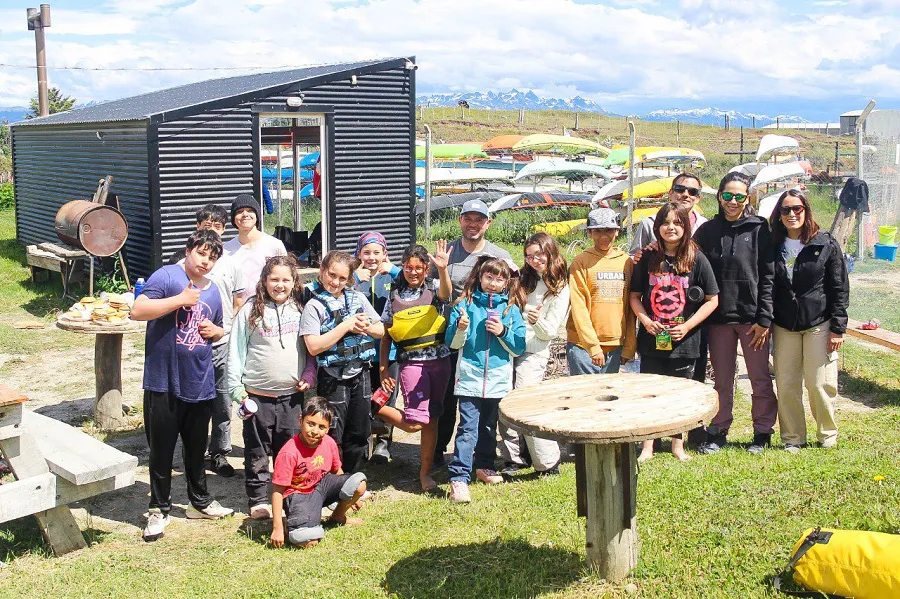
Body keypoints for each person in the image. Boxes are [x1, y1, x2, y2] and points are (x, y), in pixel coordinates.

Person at [131, 229, 234, 542]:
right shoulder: (166, 275)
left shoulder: (214, 290)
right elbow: (138, 310)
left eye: (212, 257)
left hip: (200, 381)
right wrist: (181, 300)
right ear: (189, 250)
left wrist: (216, 330)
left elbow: (216, 328)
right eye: (202, 253)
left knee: (196, 449)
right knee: (161, 451)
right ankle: (158, 509)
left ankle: (199, 502)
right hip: (163, 382)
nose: (206, 261)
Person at [227, 255, 317, 519]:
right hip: (256, 395)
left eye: (285, 280)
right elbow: (236, 351)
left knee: (288, 449)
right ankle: (257, 498)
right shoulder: (249, 310)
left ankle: (288, 494)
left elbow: (310, 348)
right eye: (274, 279)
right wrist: (237, 392)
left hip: (291, 397)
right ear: (264, 281)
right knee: (257, 451)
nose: (280, 285)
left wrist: (310, 373)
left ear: (294, 281)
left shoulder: (302, 308)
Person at [693, 172, 777, 455]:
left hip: (752, 319)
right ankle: (718, 430)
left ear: (748, 198)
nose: (733, 201)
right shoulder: (707, 231)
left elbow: (768, 276)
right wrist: (651, 250)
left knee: (759, 378)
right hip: (718, 318)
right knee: (722, 380)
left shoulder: (759, 229)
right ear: (719, 196)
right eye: (727, 195)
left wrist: (764, 318)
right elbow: (684, 254)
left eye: (739, 196)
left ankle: (762, 431)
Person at [629, 203, 720, 462]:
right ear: (657, 227)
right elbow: (635, 297)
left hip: (685, 341)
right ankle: (648, 446)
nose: (671, 228)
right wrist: (645, 321)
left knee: (679, 393)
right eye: (666, 223)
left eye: (677, 223)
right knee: (650, 391)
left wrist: (688, 326)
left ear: (686, 227)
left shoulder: (696, 258)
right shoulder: (648, 258)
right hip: (652, 338)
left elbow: (712, 299)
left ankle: (677, 445)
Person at [433, 199, 514, 467]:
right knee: (447, 399)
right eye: (468, 218)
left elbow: (514, 293)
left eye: (479, 219)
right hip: (452, 336)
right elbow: (443, 296)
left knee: (483, 403)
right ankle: (437, 452)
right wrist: (443, 269)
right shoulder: (449, 253)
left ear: (488, 223)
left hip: (484, 341)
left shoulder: (499, 254)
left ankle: (482, 459)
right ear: (460, 220)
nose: (473, 224)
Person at [168, 204, 245, 478]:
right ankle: (192, 452)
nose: (212, 229)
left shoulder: (231, 263)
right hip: (190, 345)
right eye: (207, 224)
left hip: (222, 345)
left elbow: (238, 300)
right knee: (190, 401)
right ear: (197, 226)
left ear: (224, 230)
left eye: (218, 225)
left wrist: (223, 329)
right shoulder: (181, 263)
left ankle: (220, 454)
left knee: (223, 401)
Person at [769, 189, 849, 452]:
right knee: (787, 383)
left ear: (806, 211)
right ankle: (793, 438)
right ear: (778, 215)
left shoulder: (824, 243)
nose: (792, 214)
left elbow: (839, 287)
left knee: (819, 384)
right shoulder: (772, 244)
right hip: (785, 325)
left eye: (797, 209)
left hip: (819, 323)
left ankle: (827, 435)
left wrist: (837, 327)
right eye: (786, 210)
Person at [445, 256, 526, 503]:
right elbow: (452, 343)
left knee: (489, 427)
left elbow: (519, 348)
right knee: (468, 428)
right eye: (488, 277)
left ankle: (484, 465)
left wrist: (503, 332)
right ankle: (459, 477)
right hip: (470, 377)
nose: (493, 283)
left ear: (506, 282)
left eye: (499, 279)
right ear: (479, 277)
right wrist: (460, 328)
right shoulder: (464, 305)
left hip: (498, 380)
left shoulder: (511, 310)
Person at [376, 242, 452, 491]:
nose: (413, 272)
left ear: (426, 268)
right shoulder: (394, 296)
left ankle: (424, 473)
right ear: (403, 267)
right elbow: (386, 336)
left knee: (432, 420)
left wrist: (443, 269)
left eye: (419, 268)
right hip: (411, 363)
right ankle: (371, 407)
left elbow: (446, 295)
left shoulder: (435, 287)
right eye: (408, 267)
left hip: (440, 362)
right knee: (414, 423)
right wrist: (384, 368)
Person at [301, 251, 385, 474]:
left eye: (342, 278)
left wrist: (364, 326)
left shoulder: (358, 298)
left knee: (359, 429)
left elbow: (381, 330)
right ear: (322, 271)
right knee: (332, 430)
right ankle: (331, 478)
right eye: (331, 275)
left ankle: (353, 479)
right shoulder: (314, 306)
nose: (335, 282)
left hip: (361, 373)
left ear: (349, 279)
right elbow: (314, 346)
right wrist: (346, 326)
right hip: (333, 377)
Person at [499, 233, 570, 477]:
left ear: (550, 251)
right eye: (529, 256)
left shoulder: (560, 286)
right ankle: (515, 459)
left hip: (533, 352)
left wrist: (535, 319)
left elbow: (549, 331)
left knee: (527, 404)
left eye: (538, 254)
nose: (534, 260)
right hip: (508, 345)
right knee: (503, 401)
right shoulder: (524, 278)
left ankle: (547, 463)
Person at [269, 397, 367, 549]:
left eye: (322, 427)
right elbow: (277, 492)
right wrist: (277, 528)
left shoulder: (329, 442)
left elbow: (337, 472)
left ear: (328, 428)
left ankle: (337, 517)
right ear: (300, 420)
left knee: (358, 484)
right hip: (298, 495)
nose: (315, 431)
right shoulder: (289, 452)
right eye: (311, 424)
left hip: (321, 486)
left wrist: (351, 496)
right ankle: (291, 523)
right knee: (308, 542)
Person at [566, 207, 637, 375]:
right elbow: (579, 307)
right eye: (597, 231)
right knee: (586, 396)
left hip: (615, 345)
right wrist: (592, 346)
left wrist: (629, 347)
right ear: (589, 233)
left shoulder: (626, 262)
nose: (604, 236)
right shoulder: (581, 262)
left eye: (609, 230)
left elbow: (630, 306)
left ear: (617, 232)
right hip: (583, 346)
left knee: (607, 397)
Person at [352, 231, 401, 464]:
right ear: (358, 253)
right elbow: (332, 286)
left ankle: (384, 444)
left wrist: (392, 270)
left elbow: (416, 279)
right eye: (366, 252)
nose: (372, 257)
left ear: (385, 253)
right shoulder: (353, 278)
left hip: (390, 350)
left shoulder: (392, 276)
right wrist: (354, 277)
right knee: (363, 398)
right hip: (360, 350)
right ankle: (362, 442)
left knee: (387, 395)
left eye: (377, 252)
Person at [223, 193, 287, 303]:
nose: (245, 214)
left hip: (268, 309)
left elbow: (287, 278)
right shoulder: (225, 250)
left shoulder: (275, 245)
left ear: (257, 215)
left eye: (250, 210)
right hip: (237, 312)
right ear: (233, 219)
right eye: (239, 212)